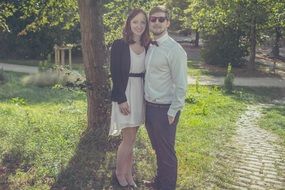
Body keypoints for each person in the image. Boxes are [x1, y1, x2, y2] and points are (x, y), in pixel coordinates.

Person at [144, 6, 187, 190]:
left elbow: (181, 84)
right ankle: (159, 182)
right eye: (153, 19)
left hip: (165, 109)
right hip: (149, 107)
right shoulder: (150, 46)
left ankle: (167, 187)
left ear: (168, 22)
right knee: (158, 149)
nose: (157, 22)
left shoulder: (175, 50)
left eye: (161, 19)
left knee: (167, 153)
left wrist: (173, 111)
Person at [109, 8, 150, 188]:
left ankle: (129, 174)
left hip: (140, 93)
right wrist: (121, 99)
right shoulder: (119, 45)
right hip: (125, 93)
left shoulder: (149, 45)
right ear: (129, 24)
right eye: (135, 22)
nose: (139, 26)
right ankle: (119, 173)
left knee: (132, 139)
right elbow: (115, 73)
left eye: (142, 22)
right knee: (128, 139)